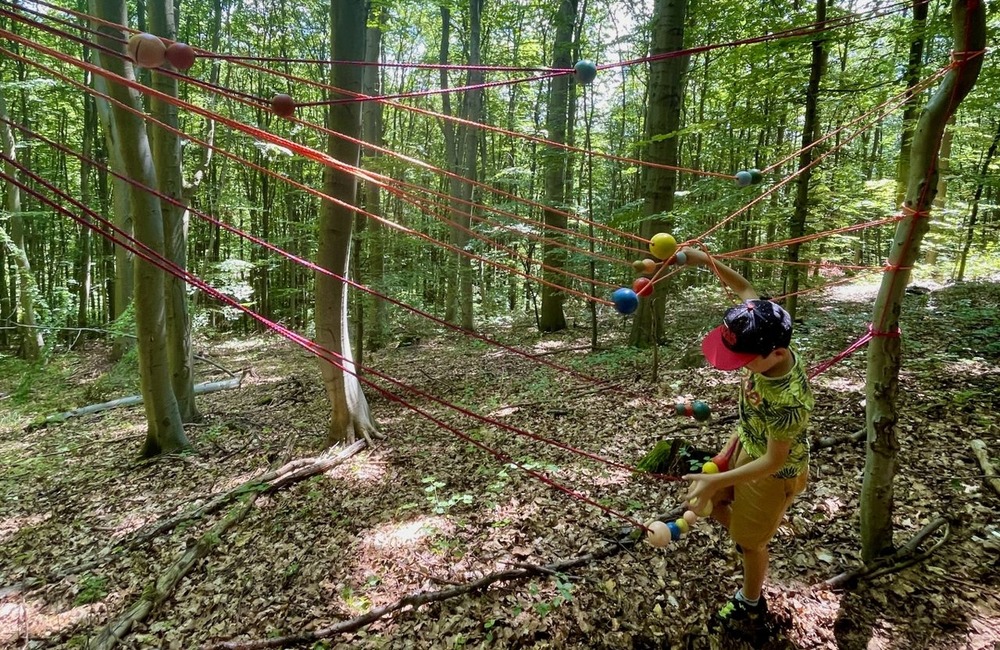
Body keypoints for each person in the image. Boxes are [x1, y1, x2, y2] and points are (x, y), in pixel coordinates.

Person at [677, 247, 814, 632]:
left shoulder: (787, 400)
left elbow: (773, 461)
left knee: (748, 545)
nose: (735, 366)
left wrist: (716, 477)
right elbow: (746, 287)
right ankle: (750, 527)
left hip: (771, 474)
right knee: (716, 504)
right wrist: (706, 261)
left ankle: (750, 602)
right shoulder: (763, 321)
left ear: (777, 354)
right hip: (745, 446)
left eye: (743, 360)